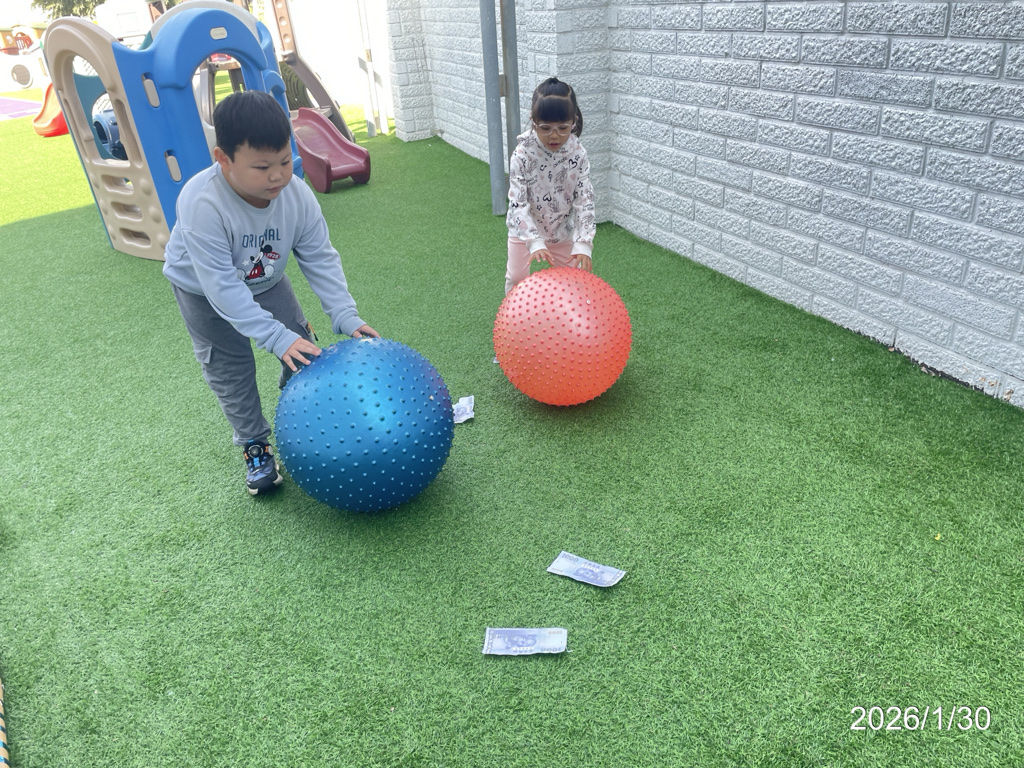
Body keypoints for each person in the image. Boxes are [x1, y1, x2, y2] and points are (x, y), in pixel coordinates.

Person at [163, 90, 379, 496]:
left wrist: (344, 313)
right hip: (203, 291)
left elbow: (319, 256)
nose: (277, 176)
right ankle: (255, 445)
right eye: (262, 167)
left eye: (283, 160)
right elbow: (222, 286)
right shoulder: (201, 202)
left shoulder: (296, 195)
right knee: (230, 368)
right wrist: (274, 337)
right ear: (223, 159)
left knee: (302, 345)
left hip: (266, 278)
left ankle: (310, 416)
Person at [505, 76, 597, 295]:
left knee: (575, 282)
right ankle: (512, 316)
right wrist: (534, 241)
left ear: (573, 121)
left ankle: (573, 317)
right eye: (545, 128)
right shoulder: (522, 154)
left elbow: (584, 200)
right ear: (533, 121)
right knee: (517, 278)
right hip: (523, 232)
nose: (554, 136)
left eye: (563, 128)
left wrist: (583, 243)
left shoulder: (578, 154)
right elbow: (518, 203)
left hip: (561, 231)